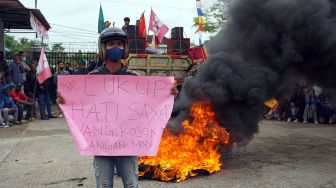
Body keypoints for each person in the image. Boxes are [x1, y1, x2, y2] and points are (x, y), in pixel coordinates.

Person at [57, 27, 178, 188]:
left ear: (125, 48)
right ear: (103, 48)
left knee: (131, 184)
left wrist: (167, 94)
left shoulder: (135, 78)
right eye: (111, 44)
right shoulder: (91, 79)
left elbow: (148, 105)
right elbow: (80, 105)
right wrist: (65, 99)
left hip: (128, 144)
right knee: (104, 185)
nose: (116, 47)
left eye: (119, 44)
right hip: (101, 145)